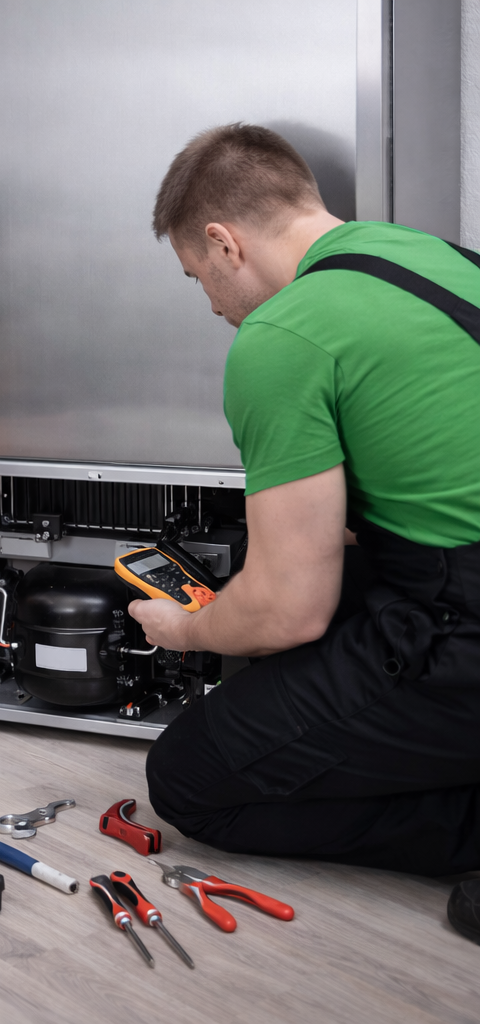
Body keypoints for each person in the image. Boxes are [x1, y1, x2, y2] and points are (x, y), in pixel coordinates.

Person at [132, 125, 480, 920]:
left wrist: (185, 630)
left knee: (189, 779)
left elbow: (291, 612)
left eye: (197, 278)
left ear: (224, 244)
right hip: (450, 571)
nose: (213, 305)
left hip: (466, 622)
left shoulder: (282, 334)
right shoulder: (438, 257)